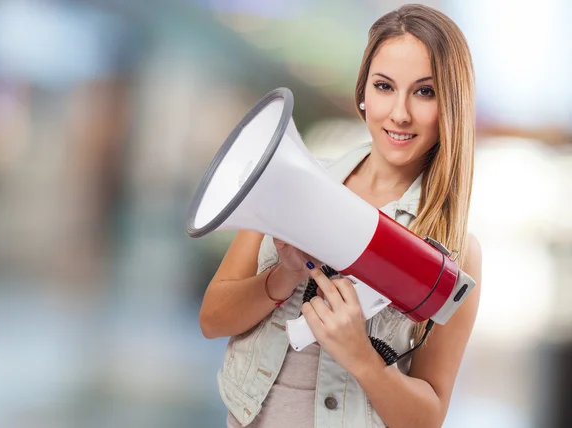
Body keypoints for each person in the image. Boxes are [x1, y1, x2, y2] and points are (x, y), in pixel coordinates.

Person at [199, 4, 482, 427]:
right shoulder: (289, 182)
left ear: (451, 106)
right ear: (362, 93)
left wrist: (360, 356)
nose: (399, 113)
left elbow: (428, 417)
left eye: (425, 92)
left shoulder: (453, 250)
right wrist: (284, 277)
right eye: (384, 86)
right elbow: (212, 319)